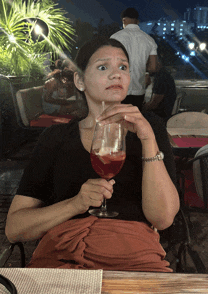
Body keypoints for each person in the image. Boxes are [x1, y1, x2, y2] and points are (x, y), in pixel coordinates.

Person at [5, 37, 179, 272]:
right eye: (103, 67)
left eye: (123, 67)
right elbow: (15, 228)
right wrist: (76, 204)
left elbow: (163, 219)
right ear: (79, 80)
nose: (116, 74)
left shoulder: (150, 129)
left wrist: (147, 139)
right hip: (61, 259)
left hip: (132, 260)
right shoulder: (55, 138)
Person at [110, 7, 158, 111]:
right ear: (137, 21)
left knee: (118, 121)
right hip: (139, 90)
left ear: (124, 20)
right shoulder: (149, 40)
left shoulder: (115, 38)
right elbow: (153, 67)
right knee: (135, 122)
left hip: (118, 88)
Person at [142, 58, 177, 122]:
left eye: (148, 65)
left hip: (160, 116)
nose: (146, 69)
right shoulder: (163, 75)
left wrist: (139, 108)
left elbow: (153, 105)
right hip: (162, 114)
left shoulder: (161, 78)